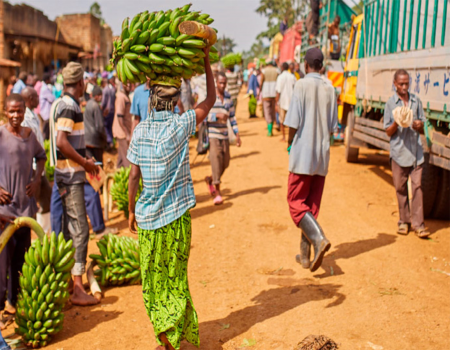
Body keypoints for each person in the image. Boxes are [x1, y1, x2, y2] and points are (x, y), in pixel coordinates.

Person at [127, 46, 216, 350]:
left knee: (153, 282)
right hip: (178, 221)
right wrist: (205, 61)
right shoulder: (182, 125)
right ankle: (179, 335)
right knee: (177, 278)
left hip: (150, 221)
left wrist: (129, 211)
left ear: (150, 100)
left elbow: (133, 177)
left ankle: (167, 336)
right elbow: (210, 101)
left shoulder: (138, 133)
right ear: (176, 101)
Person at [284, 48, 337, 272]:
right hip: (321, 155)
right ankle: (305, 256)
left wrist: (289, 142)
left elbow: (293, 121)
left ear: (306, 65)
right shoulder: (330, 88)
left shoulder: (301, 84)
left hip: (303, 153)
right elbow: (334, 126)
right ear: (322, 66)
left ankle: (318, 238)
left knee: (296, 202)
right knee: (310, 206)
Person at [53, 62, 100, 306]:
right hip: (70, 177)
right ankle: (78, 287)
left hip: (68, 173)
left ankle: (71, 281)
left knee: (71, 228)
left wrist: (85, 159)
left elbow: (67, 140)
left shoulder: (64, 104)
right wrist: (84, 162)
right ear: (80, 83)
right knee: (81, 229)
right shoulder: (69, 106)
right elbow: (62, 142)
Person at [0, 94, 46, 326]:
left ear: (25, 110)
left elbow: (42, 157)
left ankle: (13, 305)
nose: (15, 116)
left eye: (19, 111)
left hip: (25, 209)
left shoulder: (30, 136)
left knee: (20, 261)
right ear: (5, 111)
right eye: (11, 111)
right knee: (2, 264)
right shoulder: (0, 134)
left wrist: (37, 180)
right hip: (4, 212)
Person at [384, 69, 430, 238]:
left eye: (406, 83)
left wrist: (419, 125)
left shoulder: (416, 101)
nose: (404, 87)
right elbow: (388, 131)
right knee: (400, 188)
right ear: (395, 84)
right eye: (401, 84)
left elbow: (423, 122)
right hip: (398, 153)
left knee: (417, 187)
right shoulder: (390, 104)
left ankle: (419, 225)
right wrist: (397, 123)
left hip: (415, 152)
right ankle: (404, 221)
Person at [205, 72, 242, 205]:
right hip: (213, 135)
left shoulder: (228, 97)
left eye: (224, 83)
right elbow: (203, 116)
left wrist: (237, 134)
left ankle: (211, 179)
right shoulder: (210, 97)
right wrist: (217, 116)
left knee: (225, 162)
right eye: (220, 82)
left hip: (225, 135)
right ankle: (217, 192)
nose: (222, 85)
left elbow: (232, 116)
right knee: (215, 162)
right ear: (215, 82)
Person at [21, 87, 52, 228]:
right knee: (32, 203)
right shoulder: (25, 119)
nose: (39, 99)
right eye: (36, 97)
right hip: (32, 167)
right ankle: (32, 232)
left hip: (38, 166)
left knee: (46, 197)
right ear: (31, 99)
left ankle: (44, 231)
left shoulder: (32, 115)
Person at [85, 86, 107, 164]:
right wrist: (105, 138)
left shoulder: (88, 103)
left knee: (90, 164)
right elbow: (99, 126)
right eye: (99, 95)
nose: (101, 97)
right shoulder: (96, 106)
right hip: (95, 141)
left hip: (86, 139)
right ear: (96, 96)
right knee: (98, 164)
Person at [276, 63, 297, 142]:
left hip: (282, 101)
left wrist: (276, 102)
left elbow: (278, 91)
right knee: (292, 121)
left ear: (282, 68)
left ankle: (284, 136)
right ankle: (291, 137)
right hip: (291, 102)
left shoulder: (280, 77)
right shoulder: (292, 77)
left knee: (282, 121)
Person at [113, 82, 132, 168]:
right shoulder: (121, 97)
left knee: (121, 160)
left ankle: (116, 177)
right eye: (126, 83)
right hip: (122, 133)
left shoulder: (125, 96)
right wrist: (127, 134)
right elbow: (119, 117)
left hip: (123, 131)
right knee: (127, 160)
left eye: (129, 83)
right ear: (122, 85)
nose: (128, 85)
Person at [260, 61, 279, 136]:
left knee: (267, 111)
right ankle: (272, 124)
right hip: (274, 93)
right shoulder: (277, 70)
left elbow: (261, 82)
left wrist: (260, 91)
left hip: (266, 93)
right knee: (273, 110)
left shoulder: (264, 71)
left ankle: (269, 129)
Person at [39, 73, 55, 140]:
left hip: (44, 112)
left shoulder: (44, 87)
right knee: (45, 131)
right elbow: (52, 99)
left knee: (46, 130)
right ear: (47, 80)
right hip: (46, 113)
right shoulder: (45, 88)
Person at [101, 74, 116, 149]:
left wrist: (101, 109)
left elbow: (103, 102)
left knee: (106, 126)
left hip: (106, 111)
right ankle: (111, 142)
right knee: (110, 127)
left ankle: (109, 141)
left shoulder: (105, 90)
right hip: (112, 111)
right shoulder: (113, 89)